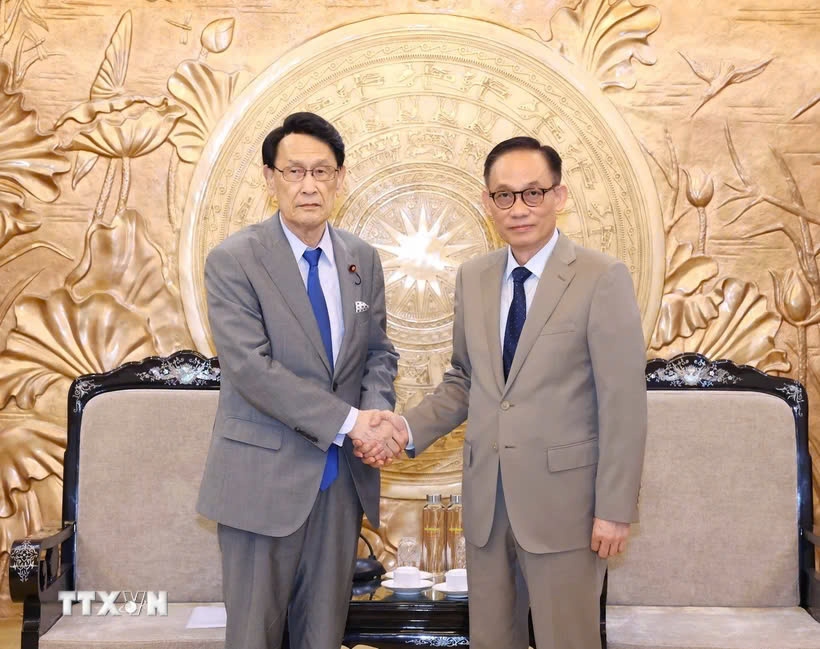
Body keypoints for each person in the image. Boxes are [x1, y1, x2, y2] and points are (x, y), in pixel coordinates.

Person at [358, 136, 647, 649]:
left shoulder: (602, 277)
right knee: (492, 640)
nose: (519, 208)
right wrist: (404, 429)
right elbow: (466, 379)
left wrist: (615, 508)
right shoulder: (476, 277)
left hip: (568, 509)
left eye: (533, 193)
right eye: (504, 196)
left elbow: (623, 403)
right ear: (488, 203)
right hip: (488, 505)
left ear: (559, 196)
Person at [197, 112, 404, 649]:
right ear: (270, 179)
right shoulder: (234, 260)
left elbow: (377, 353)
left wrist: (377, 418)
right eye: (293, 172)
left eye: (321, 171)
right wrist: (354, 422)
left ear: (340, 178)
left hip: (340, 485)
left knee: (322, 634)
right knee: (254, 636)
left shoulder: (362, 260)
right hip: (260, 480)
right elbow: (250, 369)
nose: (309, 185)